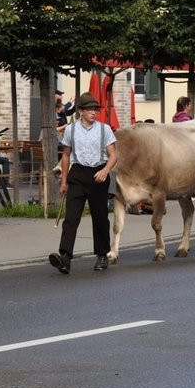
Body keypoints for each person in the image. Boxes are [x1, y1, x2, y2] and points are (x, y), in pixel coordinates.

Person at [48, 92, 118, 274]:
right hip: (78, 173)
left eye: (95, 109)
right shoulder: (71, 129)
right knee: (71, 217)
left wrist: (105, 170)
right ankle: (65, 256)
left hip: (98, 174)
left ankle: (102, 255)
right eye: (89, 109)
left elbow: (114, 155)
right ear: (80, 111)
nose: (94, 112)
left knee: (100, 216)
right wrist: (64, 181)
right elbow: (65, 155)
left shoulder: (104, 129)